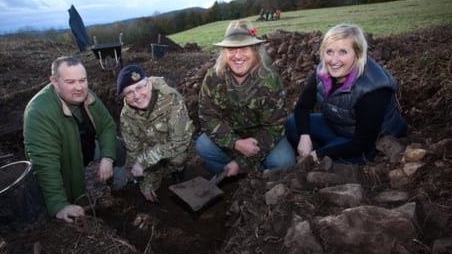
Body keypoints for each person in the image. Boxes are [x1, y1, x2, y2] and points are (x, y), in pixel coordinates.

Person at [286, 23, 407, 164]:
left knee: (327, 163)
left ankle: (335, 150)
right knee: (292, 124)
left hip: (364, 139)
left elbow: (363, 142)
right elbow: (302, 107)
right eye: (329, 52)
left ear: (357, 55)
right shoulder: (322, 72)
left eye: (343, 52)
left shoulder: (374, 88)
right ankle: (330, 146)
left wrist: (318, 155)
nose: (334, 60)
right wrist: (304, 137)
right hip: (337, 124)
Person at [23, 55, 121, 223]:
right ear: (54, 82)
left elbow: (107, 126)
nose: (79, 87)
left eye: (82, 80)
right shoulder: (39, 112)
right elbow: (45, 164)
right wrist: (58, 204)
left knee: (118, 147)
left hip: (86, 146)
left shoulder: (88, 96)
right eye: (70, 82)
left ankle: (120, 188)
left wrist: (107, 157)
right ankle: (79, 204)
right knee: (72, 189)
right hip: (64, 159)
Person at [195, 19, 295, 178]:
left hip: (261, 138)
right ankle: (232, 180)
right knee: (203, 145)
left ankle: (254, 178)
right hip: (230, 136)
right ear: (224, 52)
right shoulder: (213, 78)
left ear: (256, 51)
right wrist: (235, 143)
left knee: (285, 162)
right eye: (231, 49)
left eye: (244, 48)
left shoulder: (270, 80)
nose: (238, 56)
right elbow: (207, 116)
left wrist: (242, 162)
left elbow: (274, 127)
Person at [117, 64, 194, 203]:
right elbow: (133, 150)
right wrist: (144, 181)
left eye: (140, 87)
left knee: (178, 158)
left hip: (173, 145)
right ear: (125, 97)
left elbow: (179, 142)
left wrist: (143, 161)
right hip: (149, 151)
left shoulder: (171, 98)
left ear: (149, 84)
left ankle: (177, 170)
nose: (137, 96)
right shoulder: (126, 116)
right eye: (129, 92)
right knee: (150, 186)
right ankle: (156, 171)